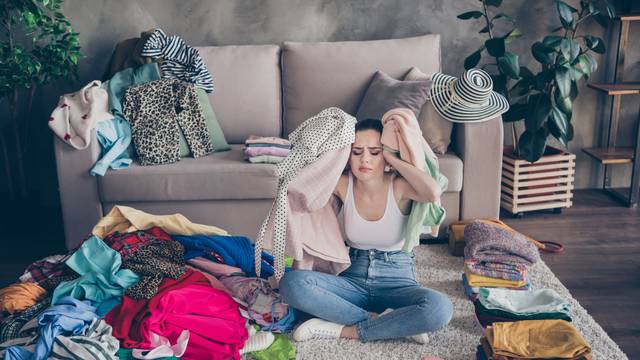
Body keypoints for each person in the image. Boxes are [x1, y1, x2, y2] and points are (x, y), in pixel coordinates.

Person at [279, 118, 453, 344]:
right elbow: (297, 183)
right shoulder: (342, 184)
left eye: (375, 152)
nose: (365, 160)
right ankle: (389, 323)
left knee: (439, 308)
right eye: (357, 152)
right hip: (353, 279)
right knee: (292, 284)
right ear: (347, 155)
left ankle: (346, 330)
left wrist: (392, 158)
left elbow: (433, 191)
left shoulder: (399, 186)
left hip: (398, 281)